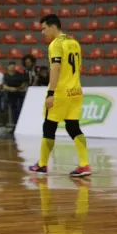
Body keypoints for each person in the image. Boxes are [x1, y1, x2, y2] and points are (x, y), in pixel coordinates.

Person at [29, 14, 91, 177]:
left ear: (53, 27)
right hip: (76, 92)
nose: (42, 32)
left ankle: (42, 165)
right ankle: (84, 164)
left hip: (60, 93)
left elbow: (55, 68)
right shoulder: (74, 42)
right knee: (73, 127)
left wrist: (50, 93)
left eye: (44, 28)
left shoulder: (55, 44)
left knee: (49, 127)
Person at [2, 61, 27, 127]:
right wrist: (10, 88)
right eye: (10, 66)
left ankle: (19, 125)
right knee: (9, 110)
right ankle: (10, 125)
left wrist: (16, 89)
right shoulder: (5, 75)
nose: (12, 68)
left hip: (19, 95)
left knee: (18, 110)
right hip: (9, 95)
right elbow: (4, 85)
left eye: (13, 67)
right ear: (7, 67)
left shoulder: (19, 74)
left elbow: (23, 84)